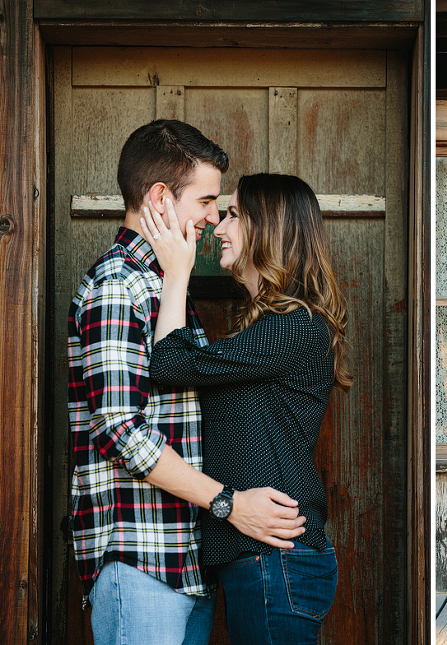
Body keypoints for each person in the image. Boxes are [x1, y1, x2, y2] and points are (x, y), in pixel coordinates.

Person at [67, 120, 305, 645]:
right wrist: (229, 503)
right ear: (158, 197)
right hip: (142, 559)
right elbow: (120, 430)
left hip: (184, 563)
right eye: (205, 201)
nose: (213, 218)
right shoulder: (119, 284)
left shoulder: (164, 287)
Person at [143, 173, 352, 643]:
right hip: (263, 561)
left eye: (234, 214)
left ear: (271, 228)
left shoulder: (296, 327)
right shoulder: (272, 326)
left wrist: (177, 273)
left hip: (276, 561)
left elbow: (172, 364)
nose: (218, 226)